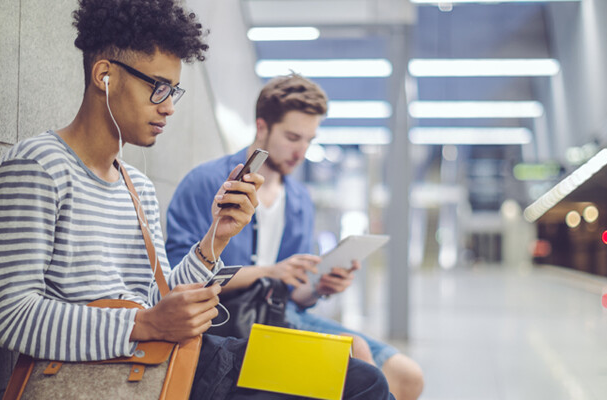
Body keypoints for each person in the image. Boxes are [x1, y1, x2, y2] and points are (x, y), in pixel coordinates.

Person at [0, 1, 392, 399]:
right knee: (359, 383)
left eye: (173, 91)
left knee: (356, 374)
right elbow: (8, 316)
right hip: (114, 369)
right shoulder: (37, 166)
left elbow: (159, 300)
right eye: (158, 88)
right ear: (104, 75)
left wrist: (216, 239)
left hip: (175, 359)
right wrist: (144, 324)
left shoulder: (136, 185)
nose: (169, 108)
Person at [166, 74, 425, 400]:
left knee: (407, 376)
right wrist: (268, 272)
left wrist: (319, 285)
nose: (301, 151)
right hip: (229, 323)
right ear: (262, 127)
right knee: (356, 354)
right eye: (292, 137)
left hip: (283, 314)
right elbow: (178, 279)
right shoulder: (207, 183)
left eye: (309, 140)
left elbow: (293, 293)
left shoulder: (300, 199)